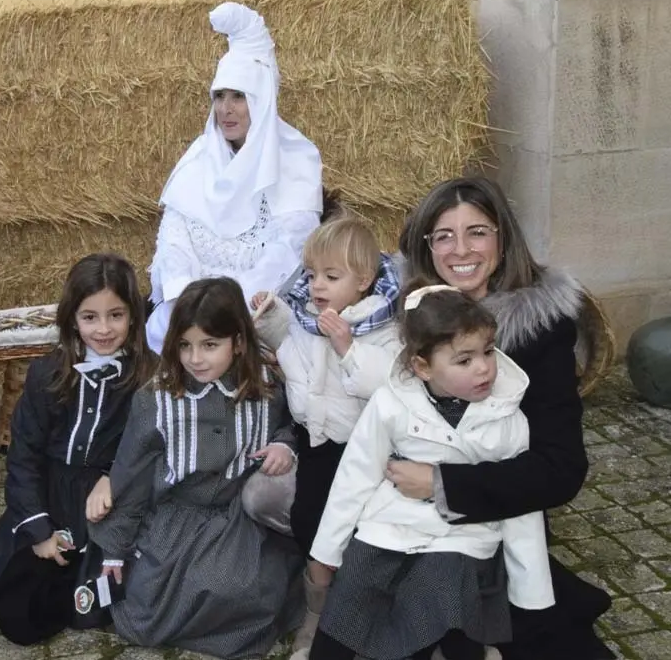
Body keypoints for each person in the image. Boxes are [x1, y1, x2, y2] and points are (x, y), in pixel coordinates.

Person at [385, 177, 614, 659]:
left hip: (498, 516)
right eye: (443, 235)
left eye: (477, 232)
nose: (460, 249)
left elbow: (561, 468)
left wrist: (441, 484)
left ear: (502, 239)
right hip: (402, 520)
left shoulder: (540, 334)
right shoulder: (398, 320)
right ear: (426, 246)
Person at [309, 282, 554, 660]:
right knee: (355, 586)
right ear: (422, 366)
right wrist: (327, 551)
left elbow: (520, 504)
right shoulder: (391, 403)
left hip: (463, 535)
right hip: (392, 524)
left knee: (438, 594)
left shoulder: (509, 419)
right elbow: (356, 474)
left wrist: (531, 593)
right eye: (464, 360)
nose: (484, 368)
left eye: (488, 351)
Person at [90, 277, 305, 659]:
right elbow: (132, 472)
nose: (195, 358)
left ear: (238, 342)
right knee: (144, 608)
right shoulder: (158, 399)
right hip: (178, 517)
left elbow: (293, 423)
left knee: (236, 587)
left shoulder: (266, 388)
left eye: (210, 345)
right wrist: (114, 549)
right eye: (185, 346)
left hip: (237, 517)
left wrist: (284, 445)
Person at [0, 253, 156, 645]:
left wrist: (111, 477)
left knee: (99, 606)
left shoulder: (148, 376)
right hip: (52, 496)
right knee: (21, 617)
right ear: (72, 318)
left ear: (133, 316)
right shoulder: (46, 373)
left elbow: (150, 448)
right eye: (90, 317)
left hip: (109, 501)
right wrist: (39, 529)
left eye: (116, 315)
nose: (103, 329)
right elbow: (24, 457)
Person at [247, 214, 403, 659]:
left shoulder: (383, 326)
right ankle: (317, 612)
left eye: (331, 277)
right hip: (317, 444)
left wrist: (348, 349)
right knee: (310, 523)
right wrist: (271, 316)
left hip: (363, 452)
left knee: (355, 533)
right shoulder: (309, 318)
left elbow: (389, 385)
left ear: (365, 279)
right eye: (313, 274)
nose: (317, 286)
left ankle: (363, 609)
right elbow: (289, 348)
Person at [146, 1, 323, 353]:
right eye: (219, 96)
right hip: (188, 309)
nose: (226, 109)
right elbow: (174, 242)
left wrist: (225, 308)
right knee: (160, 328)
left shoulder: (296, 162)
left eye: (239, 97)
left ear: (262, 99)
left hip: (254, 310)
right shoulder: (198, 160)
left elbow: (286, 253)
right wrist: (188, 300)